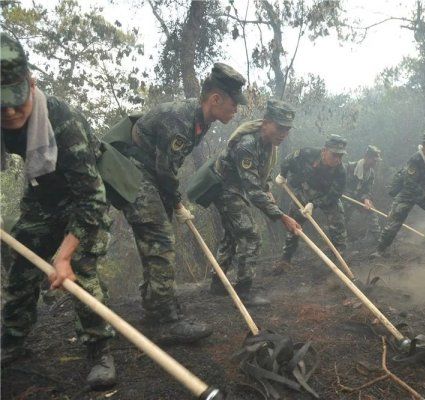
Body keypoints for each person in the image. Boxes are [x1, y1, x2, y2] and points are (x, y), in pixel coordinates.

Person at [0, 33, 116, 388]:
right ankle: (13, 340)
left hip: (85, 198)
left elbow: (92, 198)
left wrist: (63, 255)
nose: (9, 112)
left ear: (31, 85)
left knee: (79, 267)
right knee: (20, 260)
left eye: (16, 101)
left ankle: (100, 349)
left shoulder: (65, 122)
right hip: (43, 196)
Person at [103, 63, 247, 343]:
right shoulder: (181, 119)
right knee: (160, 239)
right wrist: (177, 203)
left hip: (150, 172)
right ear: (215, 99)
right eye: (233, 103)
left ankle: (154, 303)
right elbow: (166, 169)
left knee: (157, 239)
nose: (236, 110)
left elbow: (167, 167)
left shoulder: (200, 120)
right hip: (134, 171)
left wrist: (172, 202)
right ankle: (164, 321)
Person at [188, 99, 301, 305]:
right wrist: (281, 216)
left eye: (287, 129)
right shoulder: (247, 144)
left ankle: (217, 283)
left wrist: (267, 190)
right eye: (279, 127)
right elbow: (253, 190)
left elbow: (260, 177)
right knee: (250, 235)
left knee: (232, 235)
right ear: (266, 122)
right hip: (224, 188)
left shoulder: (268, 145)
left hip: (236, 188)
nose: (283, 133)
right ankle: (244, 290)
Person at [274, 134, 348, 272]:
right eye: (335, 155)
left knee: (338, 227)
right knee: (294, 225)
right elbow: (288, 160)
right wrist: (283, 175)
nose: (338, 159)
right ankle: (285, 260)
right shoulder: (307, 153)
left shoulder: (341, 171)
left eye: (341, 156)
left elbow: (335, 194)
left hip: (326, 197)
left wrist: (314, 204)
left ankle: (339, 263)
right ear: (324, 151)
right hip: (304, 192)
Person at [344, 145, 382, 244]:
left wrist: (366, 199)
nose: (375, 163)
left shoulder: (371, 174)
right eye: (373, 160)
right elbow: (340, 183)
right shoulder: (350, 167)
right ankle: (340, 240)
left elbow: (367, 190)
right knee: (341, 216)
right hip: (345, 197)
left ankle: (377, 239)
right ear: (366, 157)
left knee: (371, 211)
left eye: (376, 161)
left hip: (359, 198)